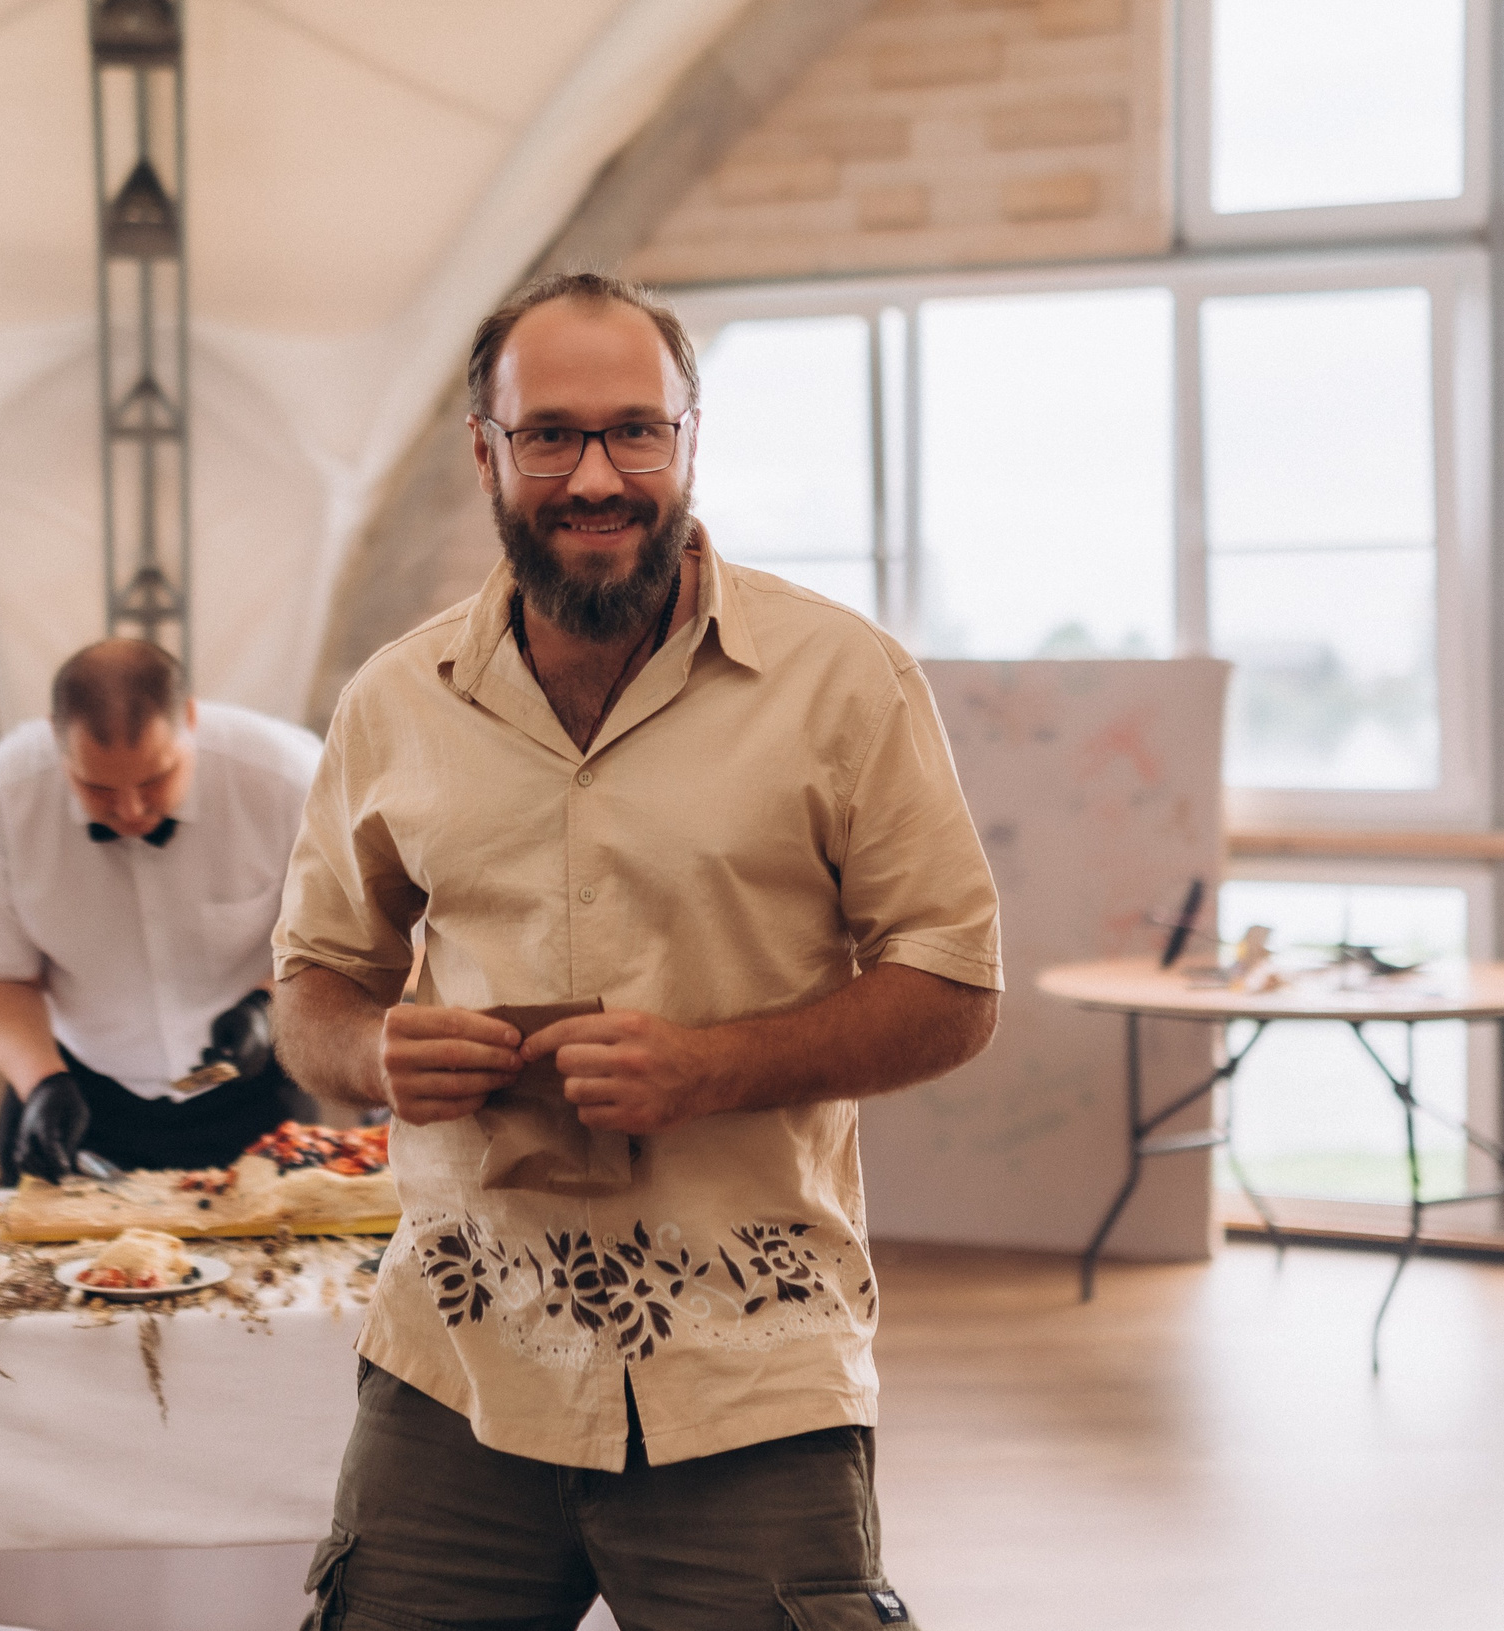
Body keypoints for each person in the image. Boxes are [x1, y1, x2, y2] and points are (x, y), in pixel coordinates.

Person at [273, 272, 1002, 1629]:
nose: (595, 474)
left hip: (753, 1365)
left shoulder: (848, 680)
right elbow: (311, 983)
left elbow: (952, 986)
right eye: (549, 434)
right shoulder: (392, 700)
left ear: (688, 439)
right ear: (486, 453)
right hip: (459, 1362)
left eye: (633, 431)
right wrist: (372, 1049)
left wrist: (713, 1067)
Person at [0, 638, 322, 1183]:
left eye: (154, 779)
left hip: (254, 1092)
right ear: (54, 736)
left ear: (190, 718)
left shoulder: (291, 779)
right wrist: (41, 1084)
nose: (131, 810)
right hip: (80, 1099)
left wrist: (270, 1008)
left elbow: (344, 942)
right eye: (96, 787)